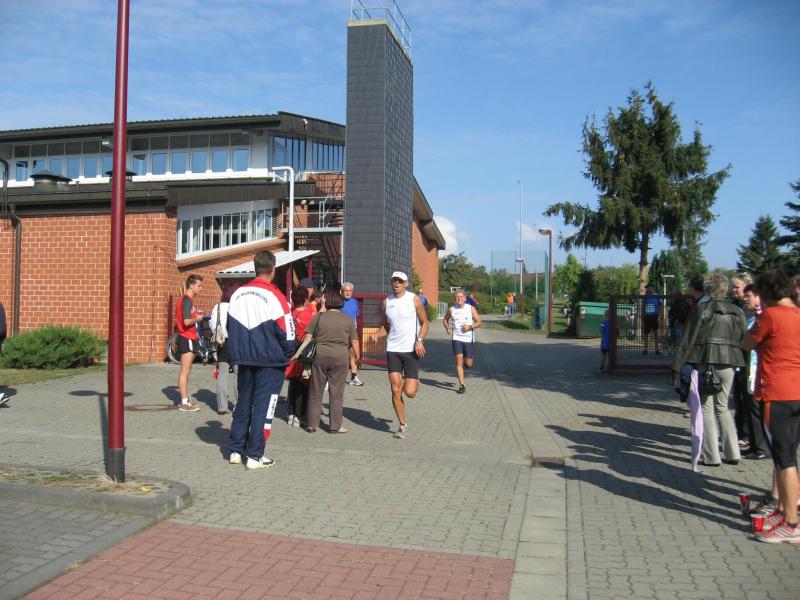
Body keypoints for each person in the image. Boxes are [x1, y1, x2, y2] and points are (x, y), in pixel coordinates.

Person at [743, 271, 800, 543]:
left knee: (783, 459)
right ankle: (782, 512)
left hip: (776, 392)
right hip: (797, 391)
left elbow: (747, 342)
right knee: (789, 455)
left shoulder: (770, 316)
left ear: (767, 293)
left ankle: (791, 523)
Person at [226, 250, 295, 470]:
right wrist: (289, 352)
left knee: (243, 403)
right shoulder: (276, 295)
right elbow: (288, 331)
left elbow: (230, 327)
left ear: (255, 268)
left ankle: (236, 450)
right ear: (273, 269)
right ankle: (255, 455)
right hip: (270, 360)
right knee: (264, 407)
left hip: (244, 358)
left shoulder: (237, 294)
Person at [672, 272, 745, 466]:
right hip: (730, 363)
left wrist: (676, 367)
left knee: (706, 408)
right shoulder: (737, 311)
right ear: (725, 289)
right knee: (723, 407)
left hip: (706, 362)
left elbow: (688, 339)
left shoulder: (702, 308)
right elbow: (742, 337)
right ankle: (733, 453)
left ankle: (711, 457)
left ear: (707, 290)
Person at [369, 271, 429, 439]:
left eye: (399, 281)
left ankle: (414, 381)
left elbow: (425, 322)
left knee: (410, 392)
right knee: (395, 389)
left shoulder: (414, 299)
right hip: (393, 350)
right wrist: (376, 334)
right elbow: (385, 326)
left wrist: (419, 340)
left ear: (406, 284)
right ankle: (402, 425)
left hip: (410, 350)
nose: (396, 283)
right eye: (394, 281)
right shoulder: (386, 302)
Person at [303, 290, 360, 433]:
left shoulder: (318, 317)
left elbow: (308, 335)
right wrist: (358, 357)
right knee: (336, 393)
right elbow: (354, 341)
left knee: (316, 391)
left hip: (319, 356)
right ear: (341, 303)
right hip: (340, 357)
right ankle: (335, 426)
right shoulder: (347, 319)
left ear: (327, 302)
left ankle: (312, 424)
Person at [741, 283, 769, 460]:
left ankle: (762, 448)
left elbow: (750, 341)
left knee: (756, 408)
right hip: (750, 366)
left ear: (759, 297)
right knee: (750, 407)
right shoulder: (752, 316)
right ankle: (754, 443)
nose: (745, 299)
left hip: (757, 366)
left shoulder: (763, 317)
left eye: (748, 296)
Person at [285, 285, 315, 427]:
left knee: (293, 383)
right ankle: (299, 414)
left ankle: (290, 413)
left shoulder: (291, 314)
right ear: (305, 299)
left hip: (291, 352)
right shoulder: (307, 316)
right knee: (304, 385)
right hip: (303, 354)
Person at [175, 274, 204, 412]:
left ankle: (185, 398)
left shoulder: (187, 300)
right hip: (187, 337)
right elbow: (186, 322)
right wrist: (198, 318)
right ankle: (184, 402)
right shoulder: (186, 300)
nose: (201, 288)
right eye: (199, 285)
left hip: (188, 337)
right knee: (185, 371)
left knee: (186, 371)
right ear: (191, 285)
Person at [731, 273, 754, 447]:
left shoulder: (753, 311)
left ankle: (747, 434)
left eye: (736, 287)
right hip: (738, 356)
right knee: (738, 396)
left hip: (749, 357)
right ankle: (740, 432)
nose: (733, 290)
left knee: (747, 397)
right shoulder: (737, 306)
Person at [443, 290, 482, 394]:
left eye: (461, 297)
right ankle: (462, 385)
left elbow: (479, 322)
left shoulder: (471, 308)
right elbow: (445, 319)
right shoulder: (451, 309)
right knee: (458, 359)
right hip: (456, 338)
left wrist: (470, 326)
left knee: (468, 364)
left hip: (468, 339)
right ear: (455, 299)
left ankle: (467, 360)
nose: (459, 299)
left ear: (465, 298)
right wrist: (447, 328)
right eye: (457, 297)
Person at [210, 287, 236, 415]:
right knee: (239, 375)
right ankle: (239, 405)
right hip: (236, 343)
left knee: (222, 375)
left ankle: (222, 407)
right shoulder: (237, 307)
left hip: (222, 343)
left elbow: (212, 325)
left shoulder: (218, 307)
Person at [341, 282, 364, 386]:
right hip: (340, 332)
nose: (348, 293)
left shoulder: (354, 302)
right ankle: (330, 379)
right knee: (339, 355)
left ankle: (353, 377)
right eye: (345, 290)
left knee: (353, 354)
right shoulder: (339, 302)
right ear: (342, 291)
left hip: (352, 332)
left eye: (350, 291)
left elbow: (355, 316)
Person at [641, 283, 661, 355]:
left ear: (652, 288)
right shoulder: (645, 296)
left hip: (655, 316)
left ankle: (657, 349)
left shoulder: (657, 296)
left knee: (656, 333)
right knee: (646, 333)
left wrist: (659, 316)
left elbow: (660, 306)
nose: (647, 289)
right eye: (646, 288)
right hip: (647, 317)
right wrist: (642, 317)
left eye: (648, 287)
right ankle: (645, 349)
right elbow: (643, 306)